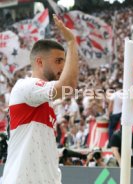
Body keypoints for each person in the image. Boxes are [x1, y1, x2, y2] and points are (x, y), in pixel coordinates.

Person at [2, 15, 78, 184]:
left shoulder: (44, 99)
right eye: (59, 61)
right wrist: (71, 42)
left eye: (64, 61)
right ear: (39, 62)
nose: (63, 67)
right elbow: (68, 85)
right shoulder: (26, 86)